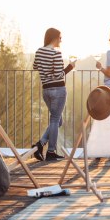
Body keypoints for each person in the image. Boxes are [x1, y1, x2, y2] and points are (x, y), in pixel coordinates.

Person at [32, 28, 75, 161]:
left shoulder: (39, 51)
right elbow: (58, 74)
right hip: (58, 90)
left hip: (46, 90)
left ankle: (40, 144)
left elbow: (35, 66)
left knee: (57, 120)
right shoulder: (56, 53)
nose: (61, 40)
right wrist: (70, 67)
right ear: (54, 38)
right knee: (56, 120)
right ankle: (51, 152)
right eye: (60, 37)